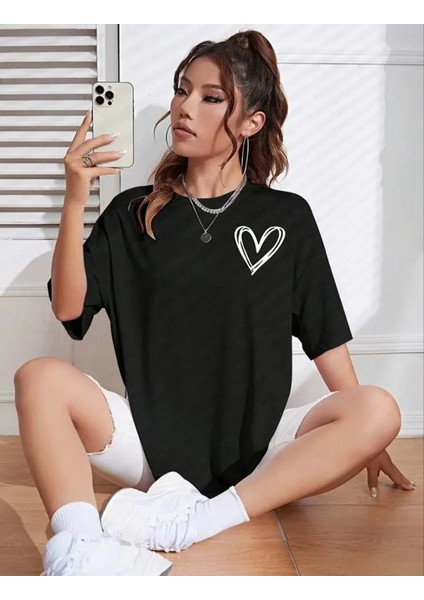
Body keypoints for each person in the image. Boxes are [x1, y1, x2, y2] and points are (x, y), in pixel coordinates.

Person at [13, 29, 415, 576]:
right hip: (150, 450)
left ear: (252, 122)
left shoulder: (287, 217)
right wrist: (75, 196)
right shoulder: (133, 213)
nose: (184, 107)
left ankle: (198, 522)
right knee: (38, 377)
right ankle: (79, 546)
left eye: (211, 97)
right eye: (182, 90)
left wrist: (366, 440)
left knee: (379, 407)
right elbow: (67, 308)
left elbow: (324, 334)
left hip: (260, 453)